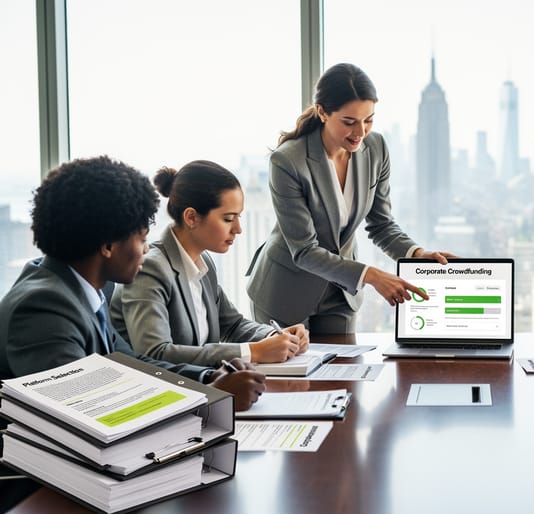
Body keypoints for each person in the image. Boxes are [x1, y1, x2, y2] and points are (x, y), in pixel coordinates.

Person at [0, 156, 266, 509]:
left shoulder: (83, 290)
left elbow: (131, 365)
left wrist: (209, 378)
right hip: (36, 493)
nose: (146, 249)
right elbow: (85, 415)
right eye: (141, 238)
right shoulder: (44, 308)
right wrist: (208, 400)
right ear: (108, 245)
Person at [246, 63, 456, 333]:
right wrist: (371, 275)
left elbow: (381, 224)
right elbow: (305, 250)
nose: (361, 132)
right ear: (322, 112)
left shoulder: (376, 149)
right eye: (349, 122)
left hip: (341, 292)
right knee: (292, 362)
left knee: (346, 361)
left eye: (368, 120)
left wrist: (416, 254)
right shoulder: (288, 161)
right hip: (286, 291)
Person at [110, 160, 309, 366]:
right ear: (191, 217)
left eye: (238, 217)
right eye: (228, 219)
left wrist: (275, 336)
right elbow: (155, 353)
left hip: (201, 381)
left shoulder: (203, 261)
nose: (238, 229)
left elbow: (232, 325)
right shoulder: (150, 269)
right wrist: (254, 351)